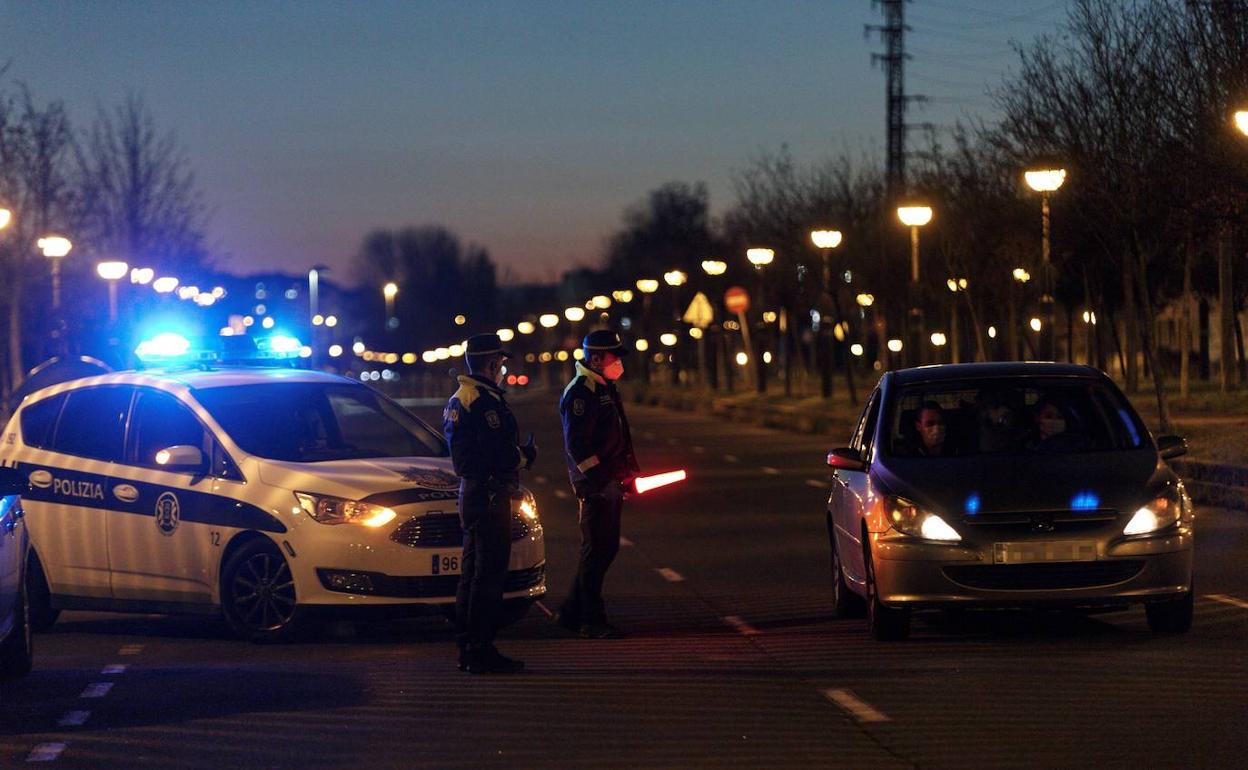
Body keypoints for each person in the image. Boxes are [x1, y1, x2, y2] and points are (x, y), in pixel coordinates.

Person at [443, 333, 537, 674]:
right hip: (488, 494)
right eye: (501, 363)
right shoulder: (482, 402)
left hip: (474, 493)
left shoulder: (461, 397)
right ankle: (480, 649)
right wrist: (524, 457)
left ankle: (469, 646)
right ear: (492, 363)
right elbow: (495, 452)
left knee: (472, 573)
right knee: (488, 575)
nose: (503, 369)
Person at [556, 329, 639, 639]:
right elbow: (578, 446)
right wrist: (601, 482)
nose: (618, 362)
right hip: (596, 487)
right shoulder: (581, 391)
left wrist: (628, 473)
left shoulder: (604, 387)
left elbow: (617, 437)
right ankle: (590, 620)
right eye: (613, 357)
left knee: (604, 548)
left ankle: (571, 613)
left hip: (611, 483)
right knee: (597, 550)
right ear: (595, 358)